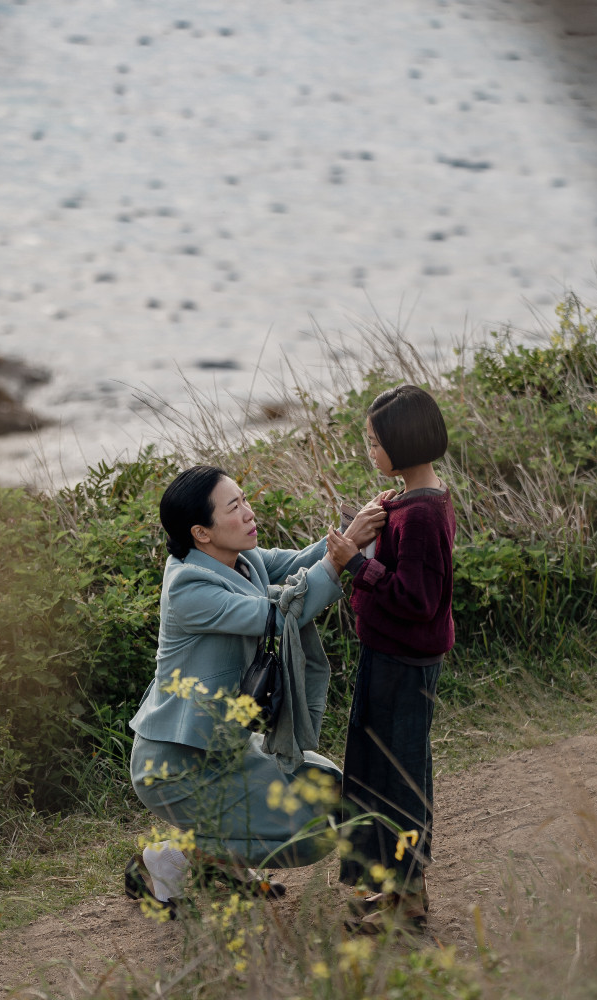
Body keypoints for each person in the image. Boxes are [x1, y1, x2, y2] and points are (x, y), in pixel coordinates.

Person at [125, 465, 382, 909]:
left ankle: (216, 858)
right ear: (201, 533)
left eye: (244, 499)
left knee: (330, 787)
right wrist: (342, 556)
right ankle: (173, 857)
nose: (248, 512)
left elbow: (308, 562)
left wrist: (356, 528)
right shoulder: (187, 586)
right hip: (177, 765)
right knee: (311, 834)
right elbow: (279, 616)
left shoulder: (244, 559)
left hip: (228, 746)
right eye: (234, 507)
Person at [324, 384, 456, 930]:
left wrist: (355, 563)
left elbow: (417, 599)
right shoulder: (411, 501)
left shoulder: (422, 515)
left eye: (374, 442)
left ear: (402, 443)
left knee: (399, 779)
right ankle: (396, 890)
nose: (368, 450)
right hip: (390, 659)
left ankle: (410, 900)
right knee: (381, 772)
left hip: (404, 665)